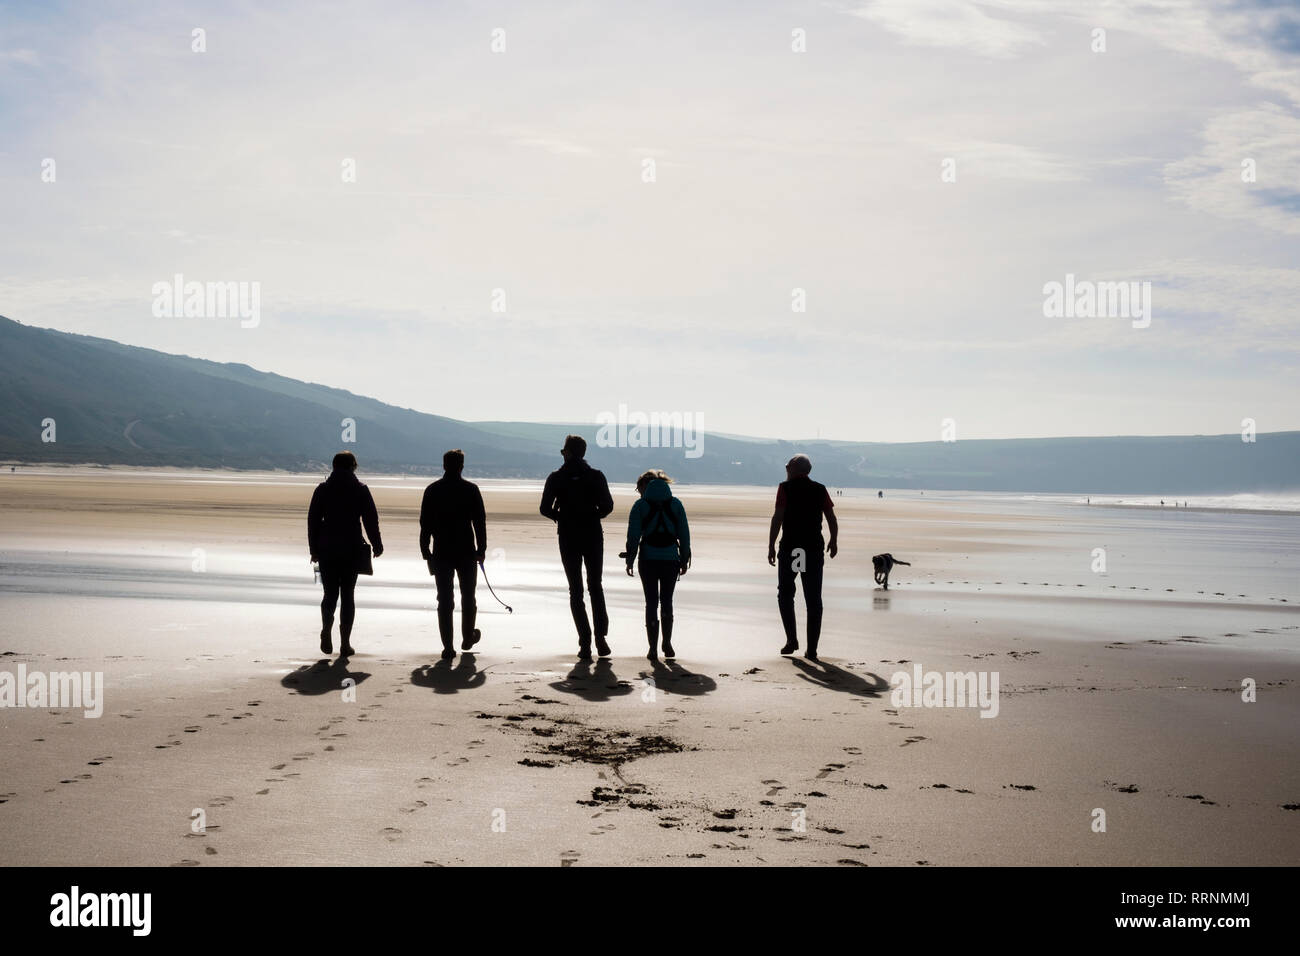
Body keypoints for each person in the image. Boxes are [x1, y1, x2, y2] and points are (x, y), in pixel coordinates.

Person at [540, 435, 614, 660]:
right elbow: (608, 506)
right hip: (592, 534)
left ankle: (585, 642)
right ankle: (600, 637)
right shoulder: (596, 476)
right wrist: (593, 515)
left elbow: (544, 508)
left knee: (576, 591)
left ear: (569, 452)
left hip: (568, 536)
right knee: (595, 586)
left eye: (563, 451)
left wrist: (560, 517)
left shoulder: (556, 477)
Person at [308, 451, 383, 657]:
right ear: (353, 467)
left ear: (333, 466)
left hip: (327, 548)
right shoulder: (360, 489)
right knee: (348, 595)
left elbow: (313, 521)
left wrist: (314, 550)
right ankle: (345, 644)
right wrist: (377, 544)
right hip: (351, 548)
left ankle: (326, 629)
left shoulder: (323, 489)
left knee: (329, 593)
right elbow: (370, 520)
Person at [767, 454, 838, 660]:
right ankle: (812, 649)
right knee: (813, 599)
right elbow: (831, 518)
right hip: (813, 549)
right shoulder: (820, 489)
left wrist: (771, 544)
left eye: (788, 466)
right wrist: (834, 540)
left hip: (791, 549)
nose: (786, 469)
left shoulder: (785, 488)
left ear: (795, 469)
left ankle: (792, 640)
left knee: (786, 594)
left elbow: (778, 517)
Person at [419, 449, 487, 661]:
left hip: (441, 550)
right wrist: (481, 549)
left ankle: (448, 647)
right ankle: (467, 637)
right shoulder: (471, 489)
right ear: (462, 465)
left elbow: (425, 522)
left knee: (445, 599)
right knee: (469, 596)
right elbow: (479, 521)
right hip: (466, 549)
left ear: (443, 465)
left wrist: (424, 547)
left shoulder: (432, 490)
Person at [623, 470, 691, 661]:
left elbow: (633, 536)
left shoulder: (640, 506)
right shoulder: (676, 504)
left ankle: (652, 648)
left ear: (645, 486)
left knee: (651, 602)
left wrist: (630, 559)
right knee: (667, 601)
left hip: (648, 559)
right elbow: (684, 534)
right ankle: (667, 643)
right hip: (670, 559)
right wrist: (684, 558)